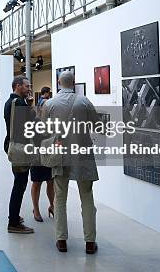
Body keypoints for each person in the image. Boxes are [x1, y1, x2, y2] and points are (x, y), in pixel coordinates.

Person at [41, 71, 98, 254]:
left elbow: (43, 130)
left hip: (60, 154)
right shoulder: (84, 101)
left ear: (59, 82)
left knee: (60, 199)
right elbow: (97, 125)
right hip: (83, 154)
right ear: (73, 83)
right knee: (87, 198)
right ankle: (90, 242)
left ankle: (61, 240)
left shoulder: (49, 103)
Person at [3, 75, 37, 234]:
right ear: (17, 86)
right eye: (26, 86)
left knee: (19, 183)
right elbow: (27, 126)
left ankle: (14, 217)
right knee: (19, 185)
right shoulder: (18, 103)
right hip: (20, 149)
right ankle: (13, 222)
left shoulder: (11, 102)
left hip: (15, 146)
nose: (29, 89)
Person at [31, 86, 54, 222]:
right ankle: (36, 209)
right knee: (37, 182)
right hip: (37, 155)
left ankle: (52, 205)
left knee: (51, 181)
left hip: (50, 154)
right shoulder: (34, 121)